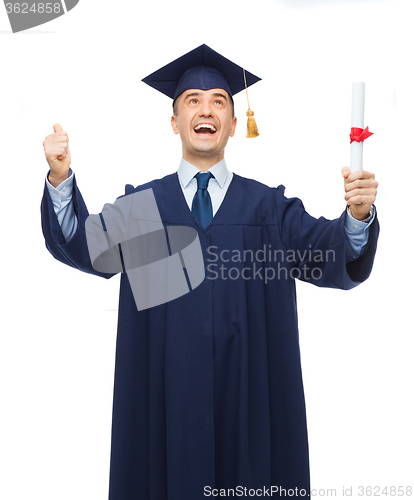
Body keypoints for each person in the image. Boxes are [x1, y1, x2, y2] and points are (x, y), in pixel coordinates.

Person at [41, 44, 379, 500]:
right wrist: (61, 180)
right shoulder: (145, 209)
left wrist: (357, 216)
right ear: (175, 121)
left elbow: (328, 252)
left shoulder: (268, 210)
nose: (206, 110)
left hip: (250, 406)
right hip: (168, 410)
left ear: (235, 124)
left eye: (219, 101)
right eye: (192, 101)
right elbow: (85, 244)